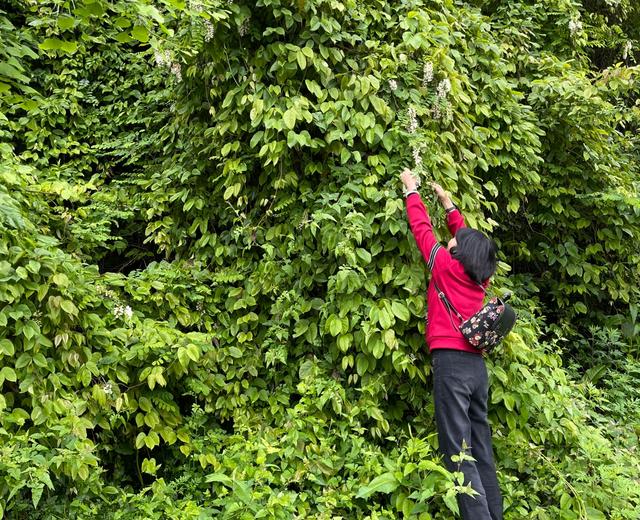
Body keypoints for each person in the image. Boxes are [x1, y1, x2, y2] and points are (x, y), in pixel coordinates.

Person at [400, 168, 503, 520]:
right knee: (481, 447)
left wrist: (411, 191)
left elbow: (422, 231)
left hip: (452, 367)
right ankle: (494, 513)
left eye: (457, 241)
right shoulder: (481, 278)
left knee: (457, 450)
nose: (453, 240)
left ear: (459, 254)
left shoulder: (444, 265)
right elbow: (470, 243)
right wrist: (448, 205)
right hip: (477, 370)